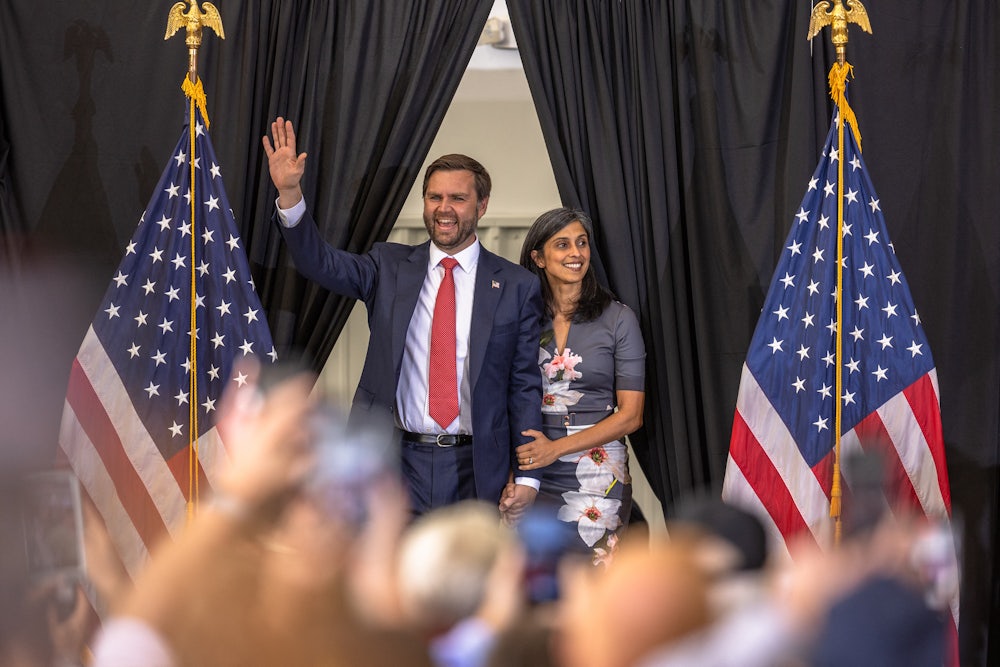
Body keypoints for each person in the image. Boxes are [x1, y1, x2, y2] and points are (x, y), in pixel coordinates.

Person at [262, 117, 545, 517]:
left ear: (482, 205)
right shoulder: (389, 266)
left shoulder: (516, 285)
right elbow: (320, 263)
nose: (444, 209)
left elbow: (524, 386)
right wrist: (290, 194)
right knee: (389, 577)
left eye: (457, 199)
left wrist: (529, 476)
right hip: (394, 464)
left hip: (477, 467)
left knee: (462, 579)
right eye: (434, 197)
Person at [509, 207, 645, 559]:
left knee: (591, 579)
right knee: (534, 579)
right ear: (538, 257)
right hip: (530, 471)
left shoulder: (619, 318)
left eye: (582, 243)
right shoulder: (519, 315)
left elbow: (631, 416)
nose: (576, 253)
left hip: (597, 473)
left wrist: (555, 449)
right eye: (563, 244)